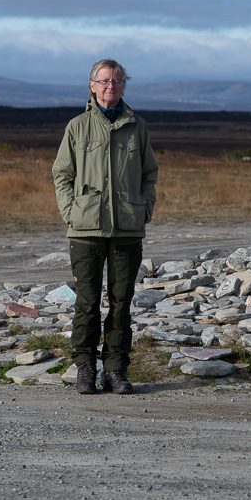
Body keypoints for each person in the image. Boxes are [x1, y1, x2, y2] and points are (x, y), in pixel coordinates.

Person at [52, 58, 158, 395]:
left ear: (123, 86)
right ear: (92, 86)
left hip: (127, 227)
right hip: (86, 228)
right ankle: (85, 368)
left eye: (116, 81)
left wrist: (144, 209)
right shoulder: (77, 126)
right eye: (104, 81)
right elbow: (62, 174)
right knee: (86, 301)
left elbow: (148, 173)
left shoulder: (137, 126)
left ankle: (116, 370)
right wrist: (72, 211)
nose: (110, 86)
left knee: (122, 300)